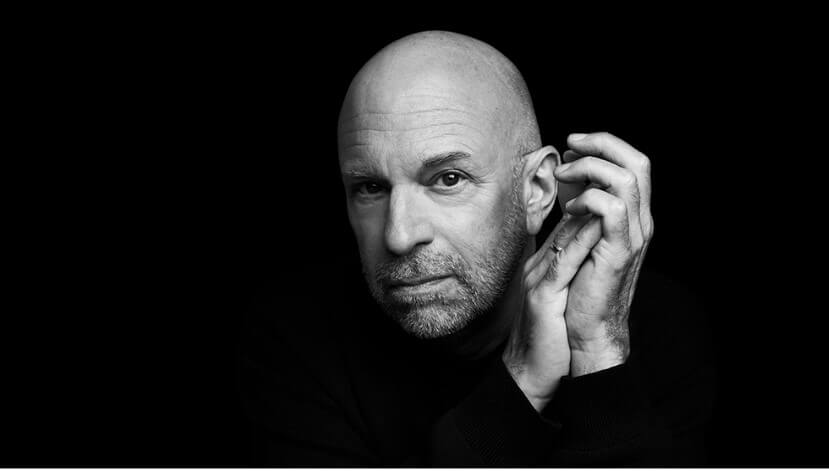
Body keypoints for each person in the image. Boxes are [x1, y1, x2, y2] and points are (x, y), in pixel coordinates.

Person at [239, 30, 714, 466]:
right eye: (370, 188)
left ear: (536, 190)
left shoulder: (664, 330)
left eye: (448, 179)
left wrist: (596, 354)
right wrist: (521, 382)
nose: (398, 236)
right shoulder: (292, 340)